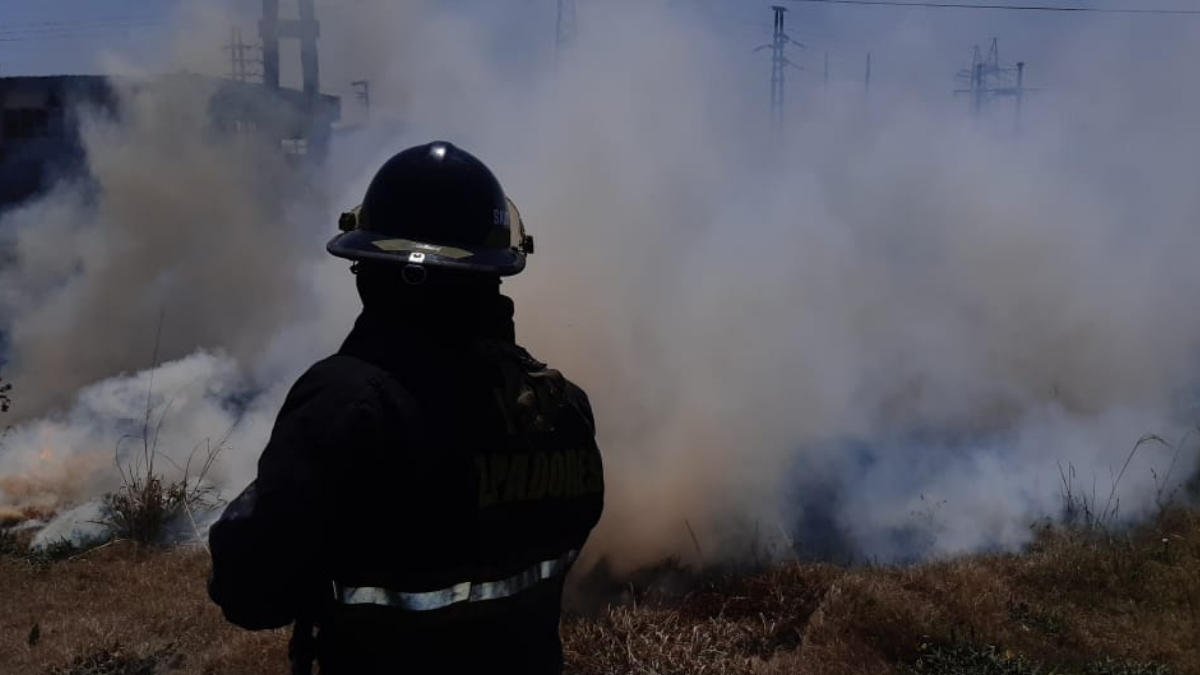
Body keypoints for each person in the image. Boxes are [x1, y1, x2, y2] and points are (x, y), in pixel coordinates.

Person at [207, 140, 605, 675]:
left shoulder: (347, 405)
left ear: (378, 270)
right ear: (494, 270)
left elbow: (250, 591)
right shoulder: (562, 409)